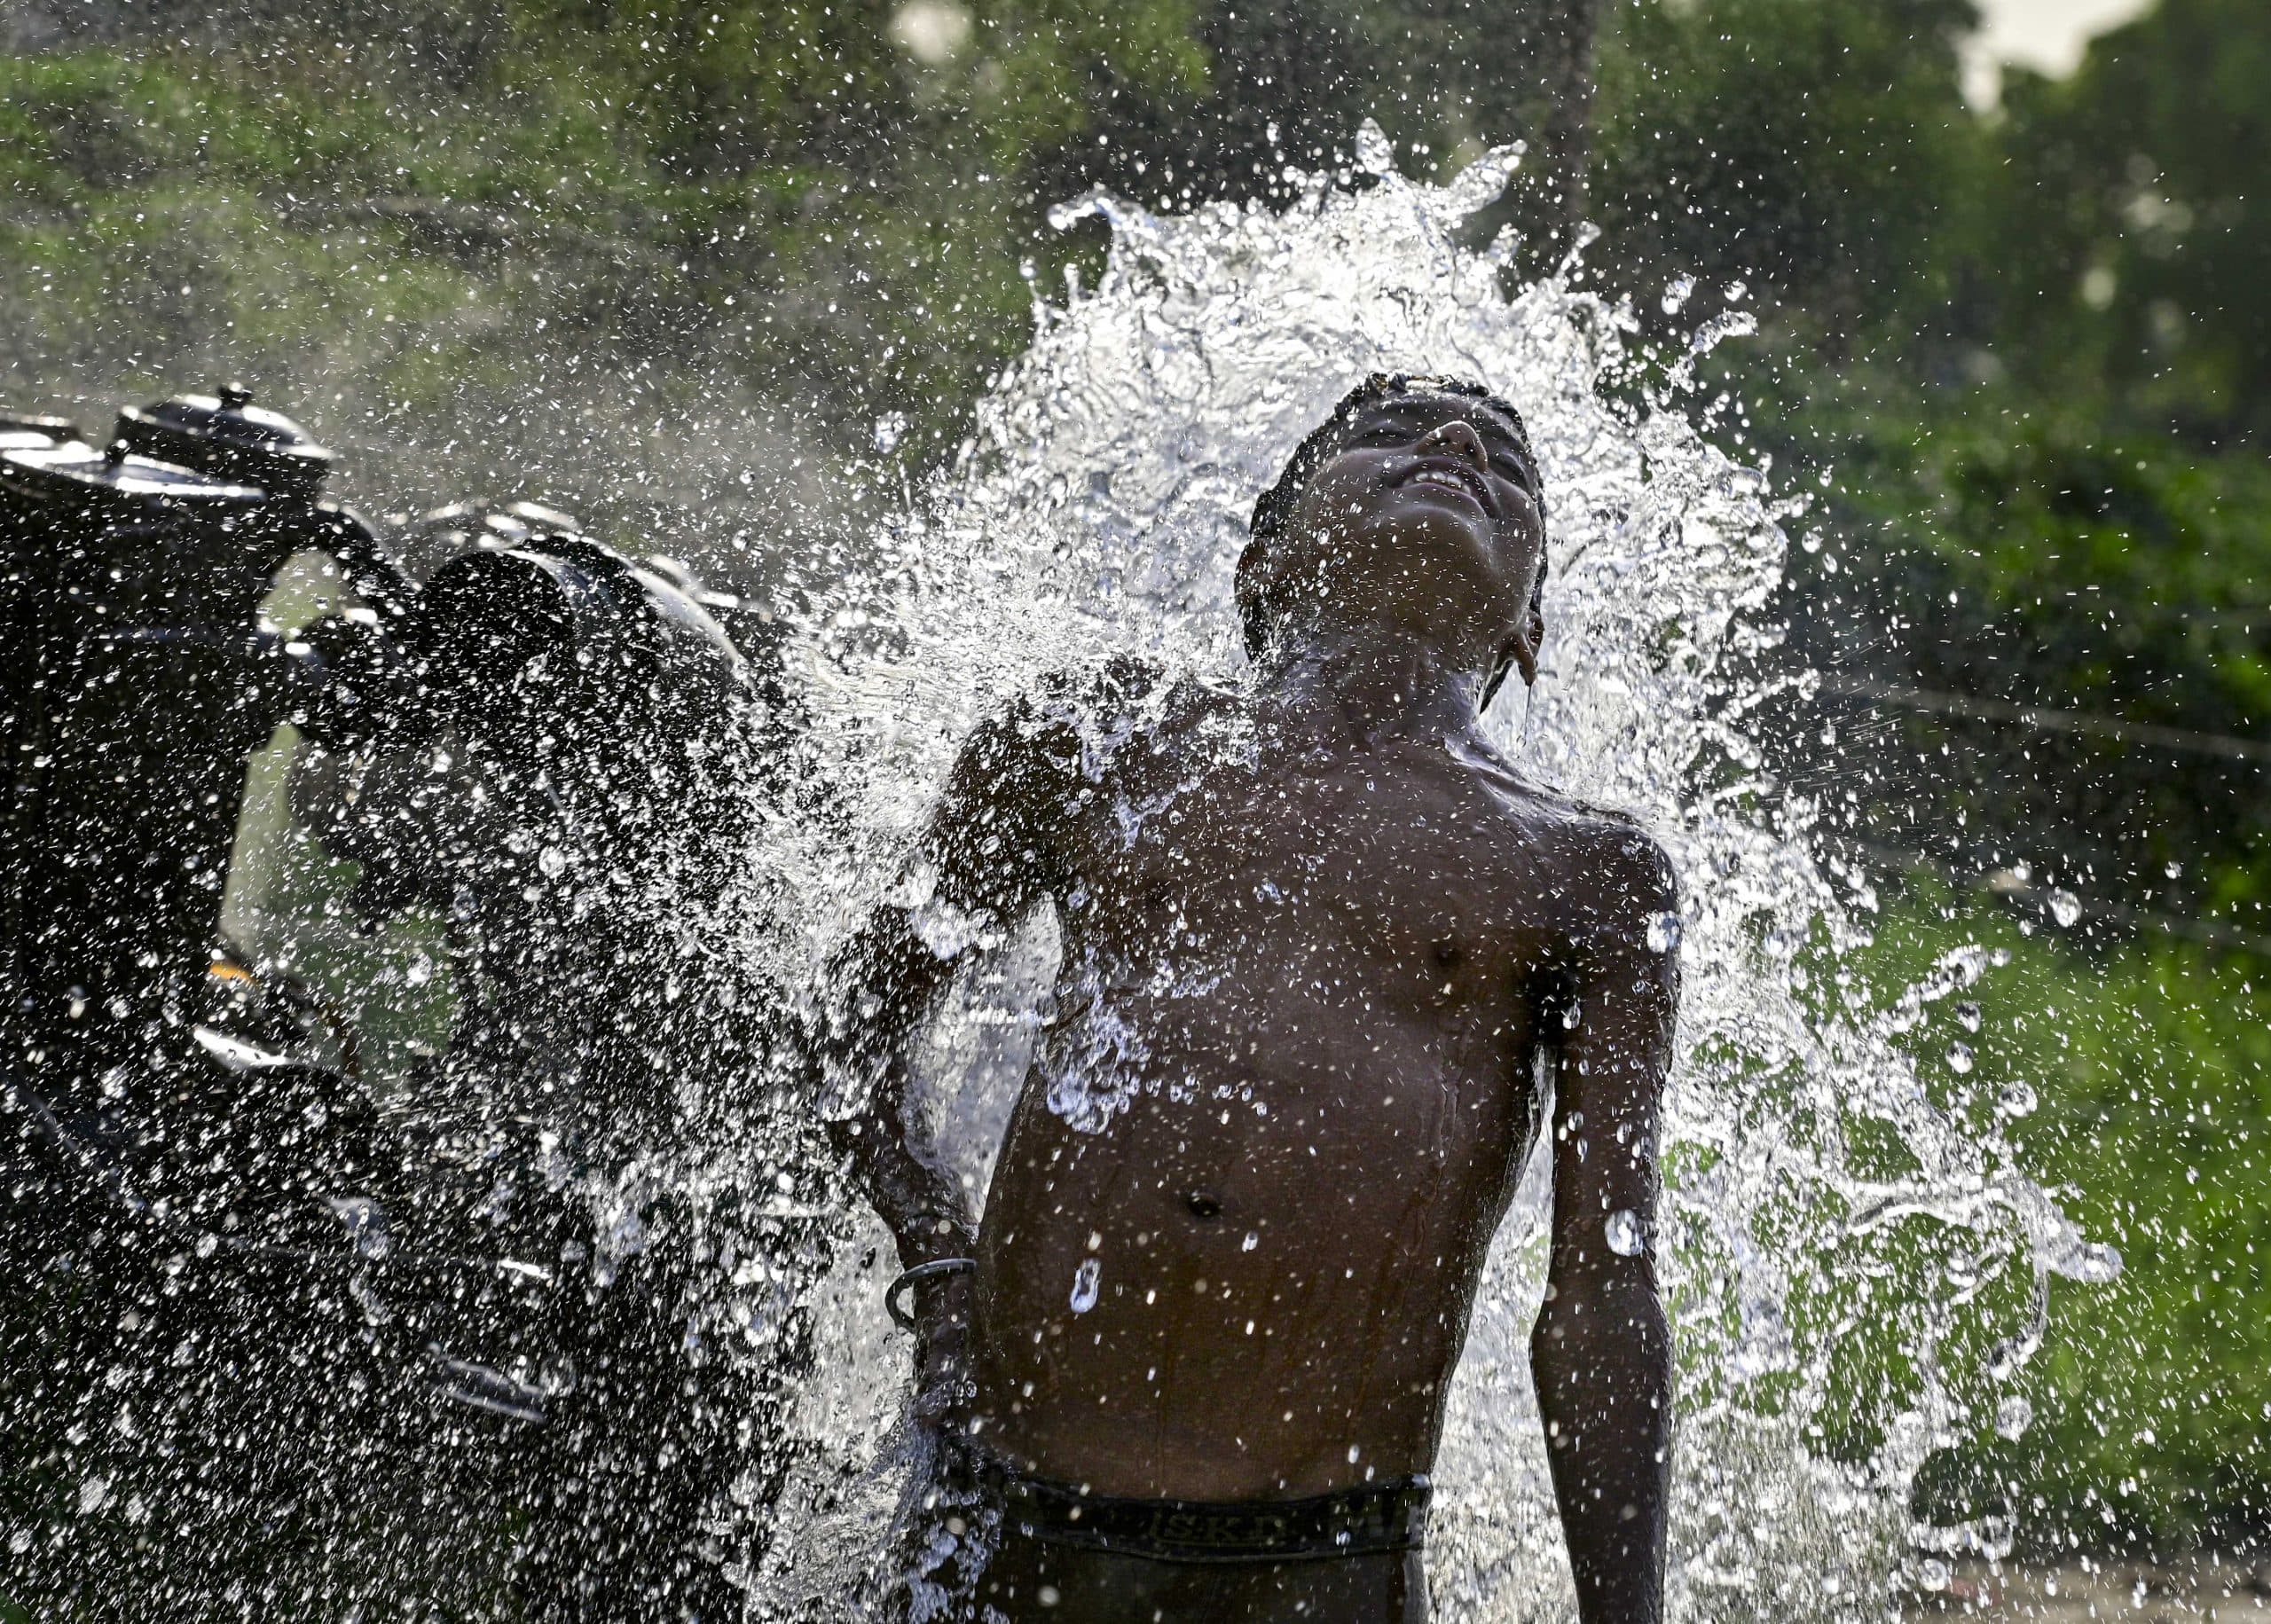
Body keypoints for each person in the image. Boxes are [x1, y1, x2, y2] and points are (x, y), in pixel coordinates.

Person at [824, 374, 1678, 1623]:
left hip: (1321, 1567)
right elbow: (848, 1031)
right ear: (1262, 555)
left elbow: (1605, 1292)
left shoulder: (1583, 871)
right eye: (1386, 434)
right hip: (993, 1534)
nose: (1453, 444)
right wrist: (941, 1263)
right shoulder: (1090, 743)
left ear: (1528, 630)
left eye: (1509, 465)